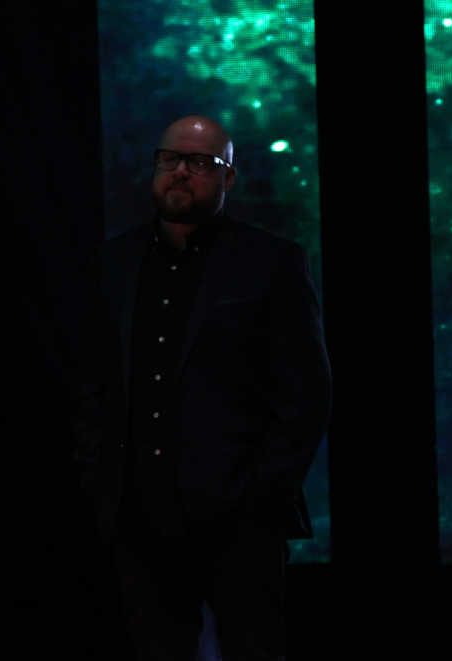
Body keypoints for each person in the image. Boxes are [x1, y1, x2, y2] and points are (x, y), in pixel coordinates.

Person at [73, 115, 331, 660]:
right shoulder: (114, 262)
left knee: (254, 648)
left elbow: (306, 394)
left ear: (229, 177)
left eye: (200, 163)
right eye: (170, 160)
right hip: (138, 516)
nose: (181, 173)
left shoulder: (272, 262)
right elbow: (92, 381)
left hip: (241, 519)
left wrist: (260, 496)